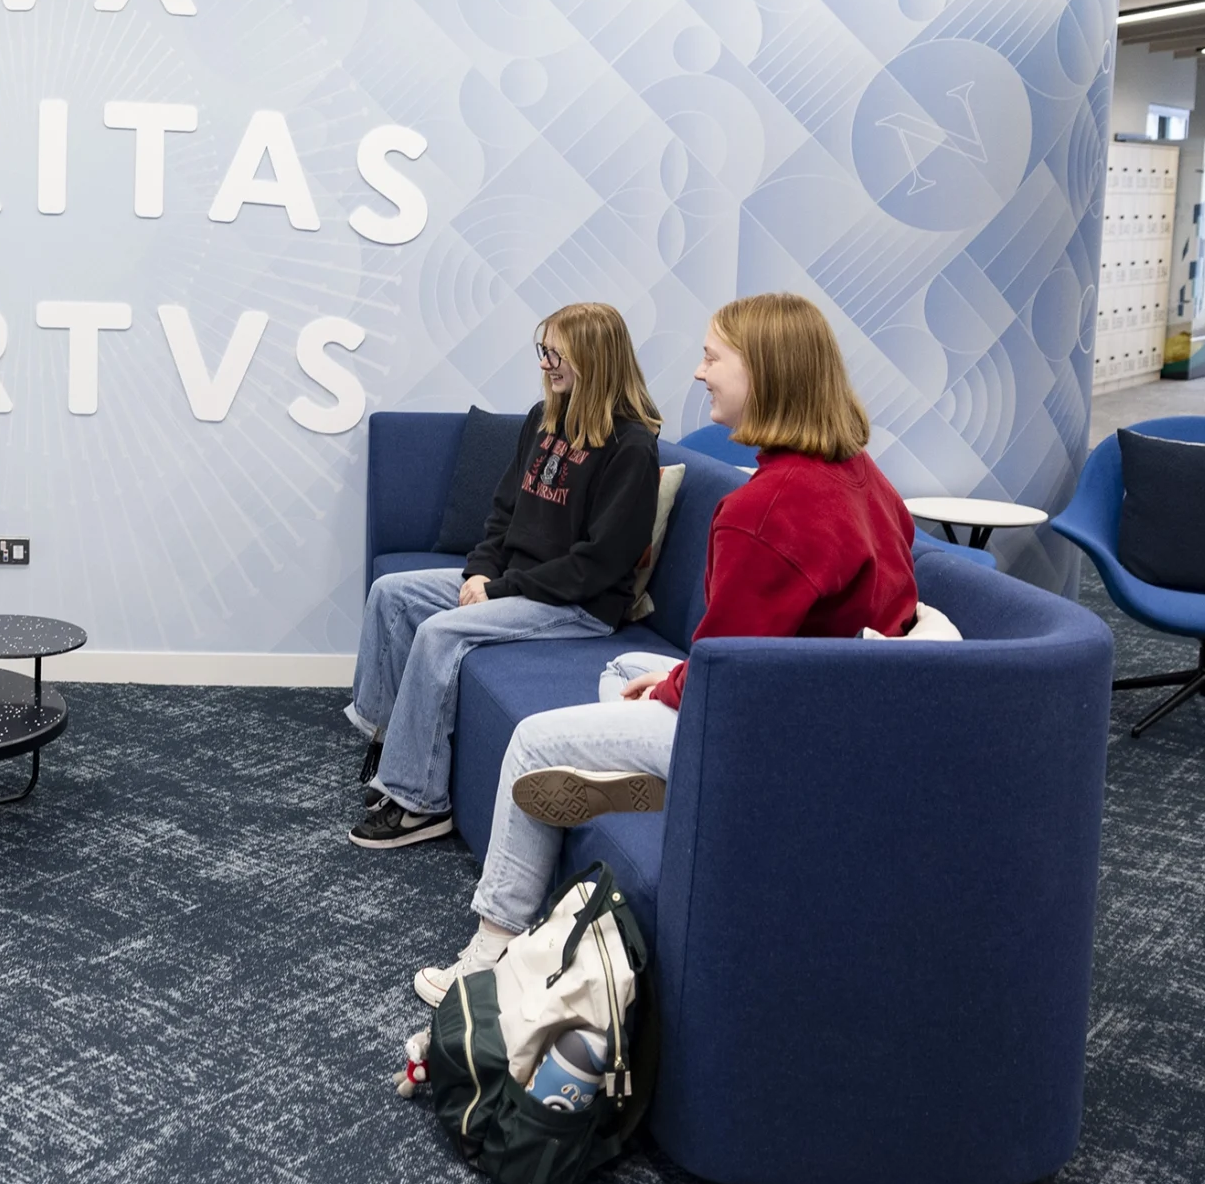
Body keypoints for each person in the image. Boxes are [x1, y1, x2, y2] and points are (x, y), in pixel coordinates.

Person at [407, 292, 920, 1005]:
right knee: (624, 668)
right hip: (828, 709)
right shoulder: (868, 480)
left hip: (764, 734)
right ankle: (645, 775)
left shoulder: (760, 509)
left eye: (714, 356)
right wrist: (672, 681)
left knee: (532, 743)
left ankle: (492, 946)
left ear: (765, 372)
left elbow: (726, 671)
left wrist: (676, 689)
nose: (700, 371)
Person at [348, 302, 665, 848]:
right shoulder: (544, 421)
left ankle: (421, 804)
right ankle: (389, 741)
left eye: (556, 353)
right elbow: (502, 515)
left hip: (577, 605)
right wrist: (479, 571)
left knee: (440, 632)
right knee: (391, 595)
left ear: (594, 358)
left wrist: (498, 589)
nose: (545, 364)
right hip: (515, 582)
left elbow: (597, 565)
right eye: (543, 351)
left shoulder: (631, 447)